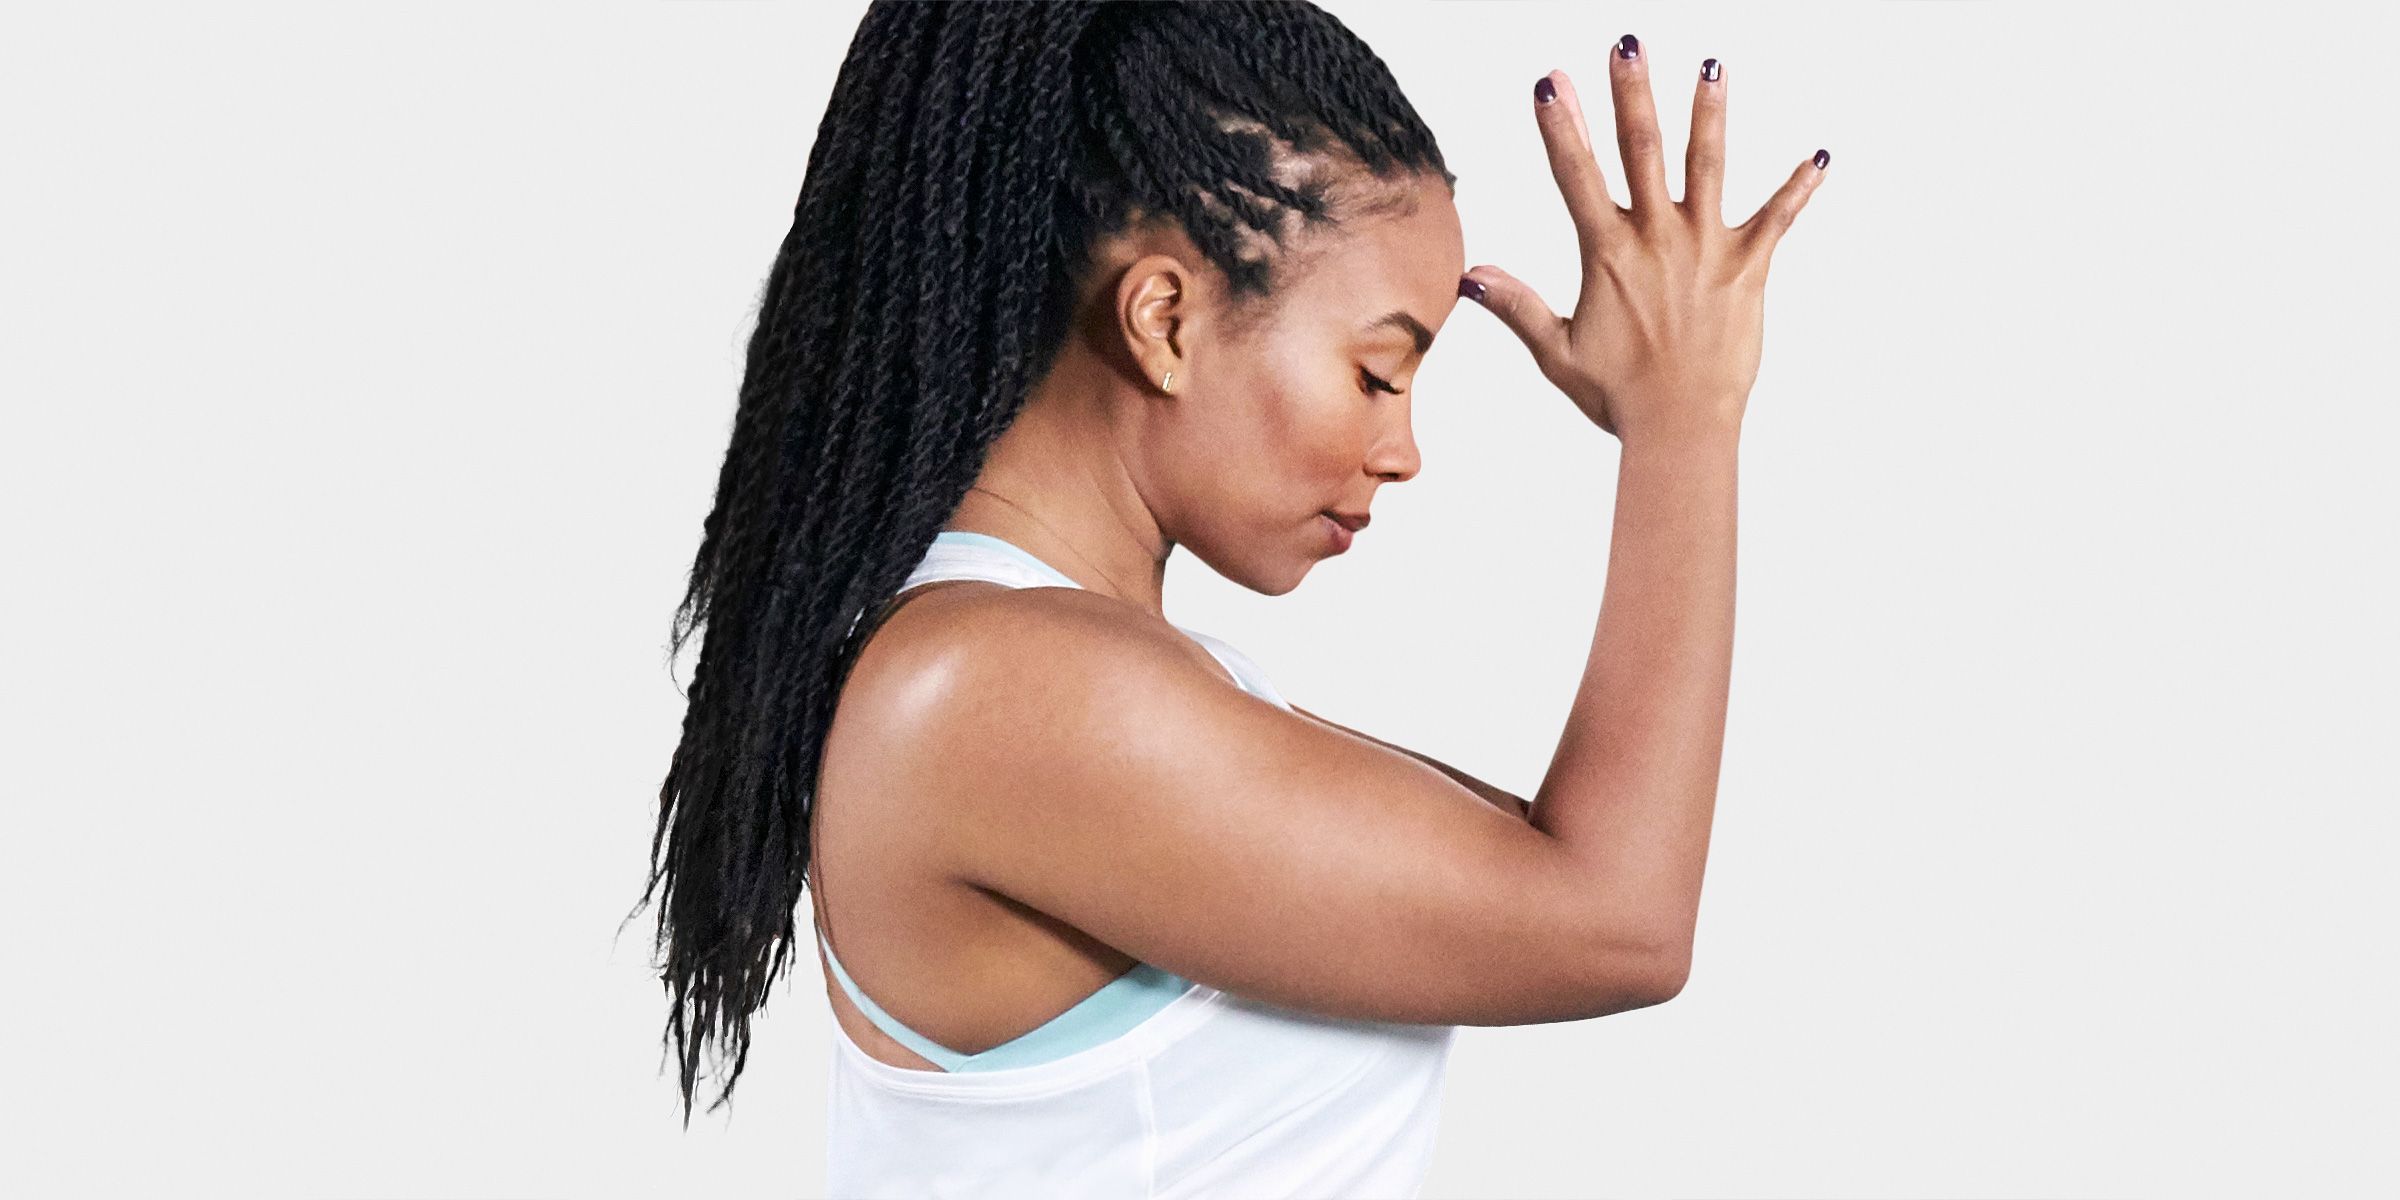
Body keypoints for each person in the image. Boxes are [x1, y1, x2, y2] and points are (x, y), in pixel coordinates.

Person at [633, 2, 1824, 1194]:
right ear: (1164, 320)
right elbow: (1614, 916)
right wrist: (1681, 424)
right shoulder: (996, 690)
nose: (1404, 449)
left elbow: (1545, 862)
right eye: (1377, 371)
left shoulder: (1081, 674)